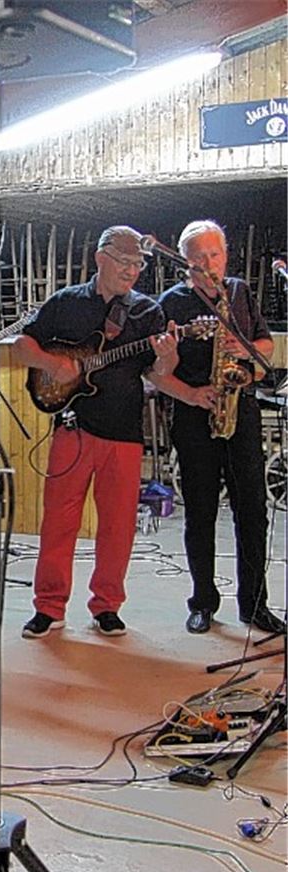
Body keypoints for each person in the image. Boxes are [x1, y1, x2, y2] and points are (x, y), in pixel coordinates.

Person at [12, 226, 177, 639]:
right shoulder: (65, 302)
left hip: (124, 432)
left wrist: (169, 357)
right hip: (73, 427)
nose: (133, 271)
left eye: (138, 264)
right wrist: (53, 365)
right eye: (125, 262)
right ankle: (49, 607)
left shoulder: (147, 312)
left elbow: (158, 374)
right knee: (58, 523)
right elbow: (21, 345)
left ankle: (107, 606)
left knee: (118, 526)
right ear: (100, 258)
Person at [150, 220, 285, 635]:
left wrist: (240, 348)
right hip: (194, 413)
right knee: (201, 512)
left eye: (215, 255)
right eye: (200, 258)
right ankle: (203, 602)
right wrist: (191, 395)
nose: (209, 264)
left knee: (253, 511)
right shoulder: (170, 303)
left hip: (240, 408)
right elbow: (154, 374)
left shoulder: (240, 292)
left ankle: (255, 604)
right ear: (185, 262)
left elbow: (265, 345)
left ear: (225, 257)